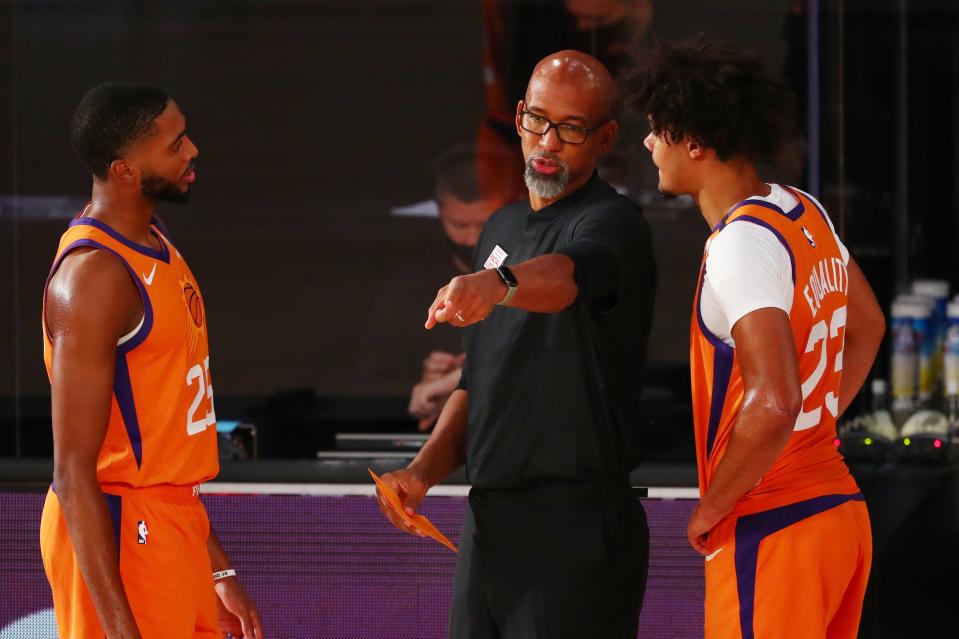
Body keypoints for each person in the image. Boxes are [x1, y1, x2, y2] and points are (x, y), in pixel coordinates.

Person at [376, 51, 657, 638]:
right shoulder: (499, 230)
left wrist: (497, 285)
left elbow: (568, 277)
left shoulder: (612, 222)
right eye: (537, 121)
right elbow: (478, 383)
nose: (548, 143)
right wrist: (422, 473)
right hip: (491, 519)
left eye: (572, 128)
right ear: (521, 117)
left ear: (605, 137)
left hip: (576, 523)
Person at [628, 40, 885, 639]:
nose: (647, 145)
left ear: (694, 142)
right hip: (839, 514)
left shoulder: (740, 243)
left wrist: (710, 507)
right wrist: (813, 427)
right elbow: (867, 325)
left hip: (775, 523)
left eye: (656, 131)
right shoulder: (802, 208)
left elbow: (773, 400)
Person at [40, 82, 263, 639]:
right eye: (175, 143)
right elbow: (72, 474)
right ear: (125, 170)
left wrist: (217, 565)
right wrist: (119, 628)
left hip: (173, 521)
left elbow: (170, 448)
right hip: (118, 527)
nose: (192, 151)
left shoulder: (158, 240)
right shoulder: (92, 279)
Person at [406, 145, 522, 430]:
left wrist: (467, 373)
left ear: (514, 207)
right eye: (458, 224)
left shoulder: (542, 272)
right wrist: (424, 384)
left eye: (484, 225)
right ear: (439, 210)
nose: (471, 239)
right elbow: (377, 381)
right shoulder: (406, 286)